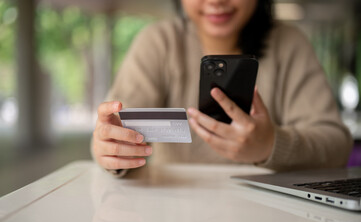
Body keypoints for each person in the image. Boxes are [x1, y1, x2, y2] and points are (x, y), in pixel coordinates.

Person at [92, 0, 353, 176]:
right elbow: (116, 129)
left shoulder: (290, 44)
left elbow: (337, 146)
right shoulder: (158, 42)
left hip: (268, 215)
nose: (216, 1)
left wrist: (271, 145)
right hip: (173, 209)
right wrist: (109, 147)